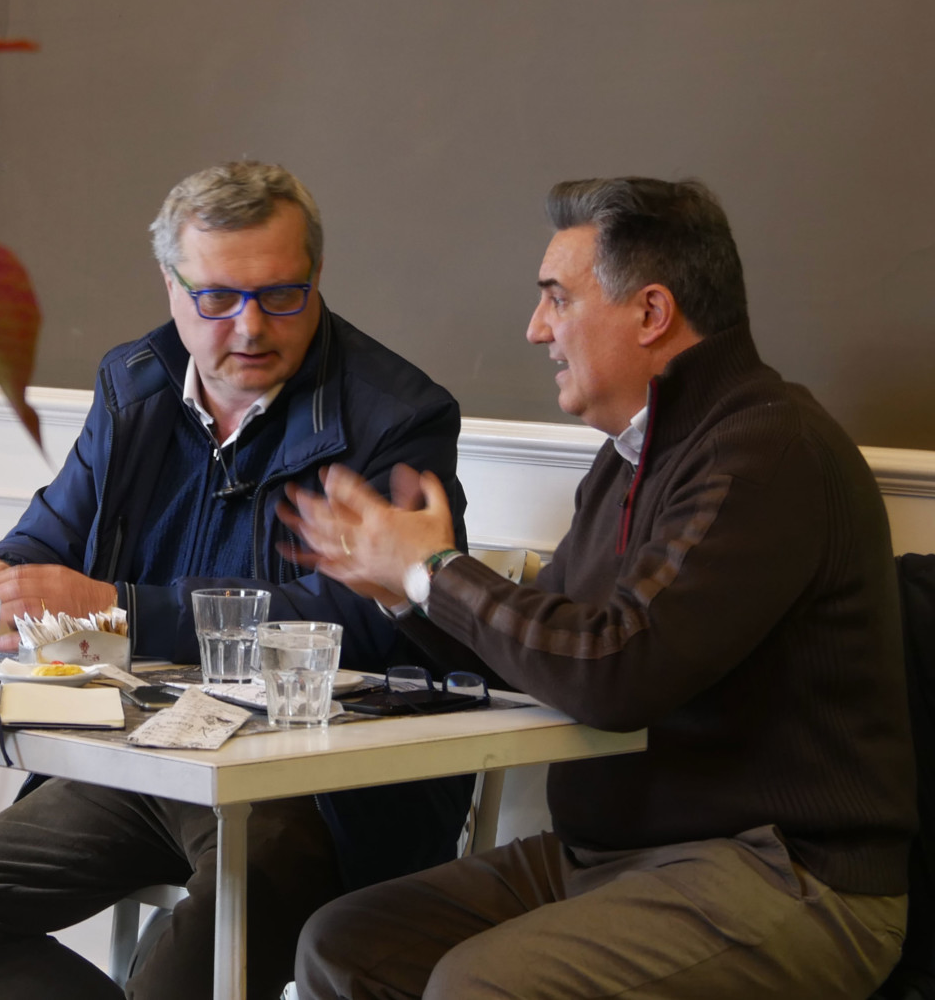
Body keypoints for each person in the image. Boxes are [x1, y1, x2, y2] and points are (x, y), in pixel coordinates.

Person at [281, 177, 917, 1000]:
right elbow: (543, 654)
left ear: (651, 312)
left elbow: (616, 670)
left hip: (786, 870)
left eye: (557, 298)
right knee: (344, 944)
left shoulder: (767, 450)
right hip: (612, 855)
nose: (536, 327)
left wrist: (434, 569)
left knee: (480, 984)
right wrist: (404, 589)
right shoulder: (627, 456)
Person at [0, 161, 473, 1000]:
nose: (250, 327)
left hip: (316, 792)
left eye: (281, 294)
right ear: (171, 286)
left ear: (317, 275)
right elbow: (50, 539)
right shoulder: (134, 383)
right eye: (217, 297)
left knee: (184, 969)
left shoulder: (395, 415)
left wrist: (117, 607)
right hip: (147, 758)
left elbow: (360, 621)